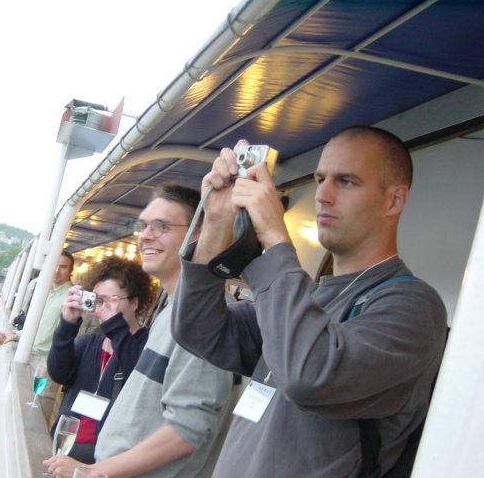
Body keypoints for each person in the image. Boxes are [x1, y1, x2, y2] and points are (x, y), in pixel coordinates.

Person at [171, 127, 448, 477]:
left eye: (346, 181)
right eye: (320, 179)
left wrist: (274, 239)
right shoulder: (311, 297)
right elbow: (199, 330)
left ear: (393, 200)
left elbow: (310, 376)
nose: (323, 195)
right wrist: (215, 221)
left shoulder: (413, 305)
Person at [43, 185, 233, 477]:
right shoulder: (172, 310)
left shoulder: (203, 313)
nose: (145, 235)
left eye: (162, 226)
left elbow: (188, 429)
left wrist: (92, 472)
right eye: (143, 226)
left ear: (198, 234)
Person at [46, 255, 158, 464]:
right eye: (98, 299)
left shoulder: (147, 344)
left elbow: (137, 371)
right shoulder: (89, 342)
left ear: (134, 302)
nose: (102, 306)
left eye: (111, 300)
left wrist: (114, 324)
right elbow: (58, 373)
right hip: (64, 448)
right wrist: (67, 324)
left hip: (108, 461)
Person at [0, 250, 75, 421]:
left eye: (63, 267)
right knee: (20, 404)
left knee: (39, 409)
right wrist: (15, 335)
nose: (57, 271)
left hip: (48, 362)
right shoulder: (45, 292)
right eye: (55, 266)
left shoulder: (70, 298)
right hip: (29, 356)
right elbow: (39, 327)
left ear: (70, 271)